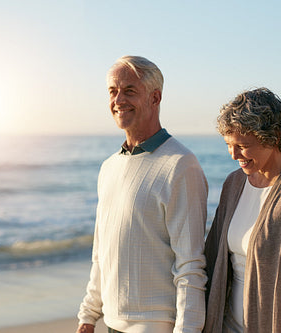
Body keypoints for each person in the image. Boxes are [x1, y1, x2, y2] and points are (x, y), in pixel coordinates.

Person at [76, 56, 208, 333]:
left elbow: (191, 265)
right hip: (112, 322)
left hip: (155, 325)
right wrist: (89, 315)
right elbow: (102, 251)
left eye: (130, 91)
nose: (118, 99)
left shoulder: (181, 164)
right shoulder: (109, 167)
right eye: (113, 91)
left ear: (155, 98)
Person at [204, 88, 281, 333]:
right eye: (229, 145)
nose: (233, 155)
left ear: (274, 137)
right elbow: (211, 258)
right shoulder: (233, 184)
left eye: (242, 145)